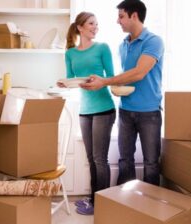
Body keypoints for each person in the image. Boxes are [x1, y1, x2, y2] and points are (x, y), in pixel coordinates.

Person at [81, 0, 164, 186]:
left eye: (121, 16)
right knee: (125, 160)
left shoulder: (154, 41)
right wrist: (114, 86)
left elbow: (139, 72)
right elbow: (125, 76)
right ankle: (125, 205)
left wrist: (105, 82)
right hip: (126, 110)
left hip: (149, 112)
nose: (118, 21)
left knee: (151, 162)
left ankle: (150, 207)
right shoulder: (123, 45)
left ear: (134, 16)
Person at [58, 11, 116, 215]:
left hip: (104, 108)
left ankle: (103, 203)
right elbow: (71, 79)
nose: (95, 27)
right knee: (91, 159)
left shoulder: (103, 48)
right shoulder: (70, 53)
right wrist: (63, 84)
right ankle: (94, 199)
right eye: (91, 23)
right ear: (80, 27)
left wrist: (99, 81)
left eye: (96, 24)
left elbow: (111, 77)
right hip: (85, 111)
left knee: (100, 159)